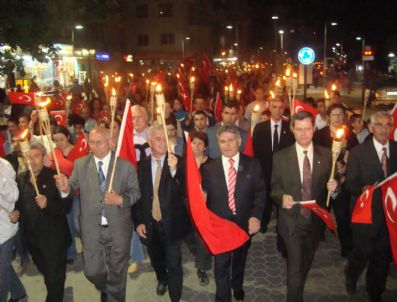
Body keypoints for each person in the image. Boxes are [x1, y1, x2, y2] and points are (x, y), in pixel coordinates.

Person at [56, 127, 141, 302]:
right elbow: (71, 188)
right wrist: (65, 188)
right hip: (91, 229)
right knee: (92, 271)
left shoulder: (125, 166)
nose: (94, 146)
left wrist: (120, 200)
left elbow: (136, 192)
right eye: (92, 142)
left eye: (99, 142)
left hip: (118, 228)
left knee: (118, 272)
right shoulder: (81, 164)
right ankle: (105, 287)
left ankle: (114, 296)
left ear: (110, 143)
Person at [271, 111, 338, 302]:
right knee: (295, 266)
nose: (303, 134)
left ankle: (297, 291)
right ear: (292, 130)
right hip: (291, 221)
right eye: (299, 129)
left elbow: (335, 187)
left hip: (315, 221)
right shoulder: (281, 157)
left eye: (307, 129)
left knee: (305, 262)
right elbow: (274, 189)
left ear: (314, 129)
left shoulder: (326, 155)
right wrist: (282, 197)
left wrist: (334, 188)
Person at [201, 125, 266, 301]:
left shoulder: (253, 164)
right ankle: (223, 296)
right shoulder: (209, 168)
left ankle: (237, 284)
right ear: (218, 144)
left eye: (231, 140)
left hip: (243, 222)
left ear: (239, 141)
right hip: (220, 223)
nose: (227, 145)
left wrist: (256, 216)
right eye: (222, 141)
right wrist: (202, 196)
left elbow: (260, 193)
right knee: (221, 264)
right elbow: (203, 195)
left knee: (239, 258)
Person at [133, 125, 191, 302]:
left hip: (172, 223)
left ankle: (175, 296)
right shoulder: (141, 166)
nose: (162, 143)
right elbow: (136, 197)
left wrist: (174, 171)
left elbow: (186, 191)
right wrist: (139, 222)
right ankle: (161, 278)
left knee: (174, 262)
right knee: (156, 257)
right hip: (150, 223)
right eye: (157, 139)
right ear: (149, 142)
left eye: (165, 138)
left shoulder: (179, 162)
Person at [344, 111, 397, 302]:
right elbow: (349, 183)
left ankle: (375, 291)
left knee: (382, 256)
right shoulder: (358, 152)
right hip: (364, 214)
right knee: (362, 253)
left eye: (388, 125)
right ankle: (351, 274)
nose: (384, 129)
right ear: (371, 128)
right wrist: (362, 189)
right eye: (380, 125)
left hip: (388, 215)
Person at [15, 143, 73, 302]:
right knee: (46, 272)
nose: (32, 161)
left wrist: (48, 204)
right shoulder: (20, 179)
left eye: (36, 157)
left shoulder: (56, 176)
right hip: (33, 240)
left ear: (44, 158)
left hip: (54, 240)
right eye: (29, 157)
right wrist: (15, 213)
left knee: (55, 277)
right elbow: (18, 205)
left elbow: (66, 207)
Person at [314, 103, 358, 257]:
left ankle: (347, 246)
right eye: (335, 114)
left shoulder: (350, 135)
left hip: (341, 182)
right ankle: (317, 236)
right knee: (322, 210)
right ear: (328, 117)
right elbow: (316, 156)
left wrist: (345, 165)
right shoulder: (320, 135)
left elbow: (357, 157)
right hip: (325, 180)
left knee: (342, 215)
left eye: (341, 114)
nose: (338, 117)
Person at [252, 97, 295, 234]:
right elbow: (256, 151)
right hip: (265, 170)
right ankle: (263, 223)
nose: (277, 110)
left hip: (284, 172)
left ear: (284, 108)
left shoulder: (290, 128)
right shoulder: (260, 128)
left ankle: (282, 226)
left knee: (282, 199)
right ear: (269, 108)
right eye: (274, 107)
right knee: (265, 200)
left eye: (280, 107)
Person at [0, 158, 26, 302]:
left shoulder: (4, 166)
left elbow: (13, 195)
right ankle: (19, 293)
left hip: (5, 229)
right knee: (4, 267)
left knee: (1, 275)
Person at [189, 131, 213, 286]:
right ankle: (199, 253)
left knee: (202, 238)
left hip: (206, 207)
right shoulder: (184, 163)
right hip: (187, 206)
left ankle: (202, 268)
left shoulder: (212, 164)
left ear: (205, 146)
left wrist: (208, 195)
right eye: (193, 142)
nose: (197, 146)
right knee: (191, 238)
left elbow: (218, 187)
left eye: (200, 143)